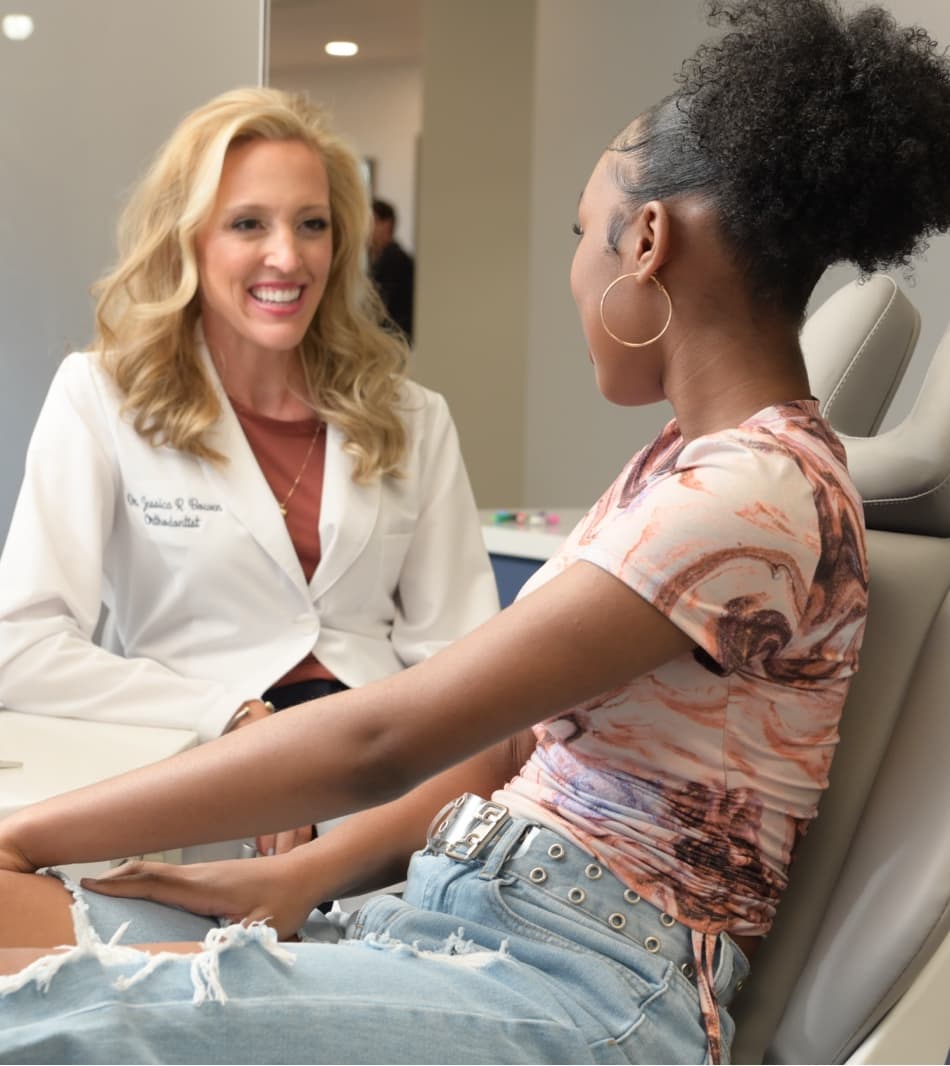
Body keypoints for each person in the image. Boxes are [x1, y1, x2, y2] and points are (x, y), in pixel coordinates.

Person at [2, 0, 950, 1061]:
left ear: (644, 239)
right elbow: (505, 742)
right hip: (466, 921)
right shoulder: (685, 469)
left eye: (580, 233)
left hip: (587, 982)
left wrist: (24, 830)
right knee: (24, 930)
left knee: (53, 1010)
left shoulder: (749, 496)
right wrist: (291, 879)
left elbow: (383, 740)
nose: (575, 270)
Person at [0, 89, 499, 856]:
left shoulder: (410, 414)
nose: (287, 256)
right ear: (188, 238)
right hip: (191, 762)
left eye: (312, 225)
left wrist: (379, 784)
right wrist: (232, 719)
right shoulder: (99, 397)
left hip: (384, 784)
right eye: (247, 225)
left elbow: (460, 660)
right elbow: (20, 646)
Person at [368, 197, 415, 342]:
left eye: (371, 221)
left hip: (393, 343)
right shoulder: (378, 258)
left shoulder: (395, 260)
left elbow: (385, 311)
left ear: (386, 224)